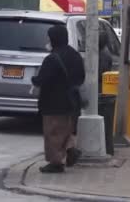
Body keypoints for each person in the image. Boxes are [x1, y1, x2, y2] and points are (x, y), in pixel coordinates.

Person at [31, 25, 85, 173]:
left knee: (53, 133)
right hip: (72, 101)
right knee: (66, 130)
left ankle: (56, 163)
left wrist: (34, 80)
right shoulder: (75, 55)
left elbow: (42, 79)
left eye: (49, 38)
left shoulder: (52, 58)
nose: (48, 41)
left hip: (53, 102)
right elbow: (81, 76)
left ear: (54, 39)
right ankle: (70, 149)